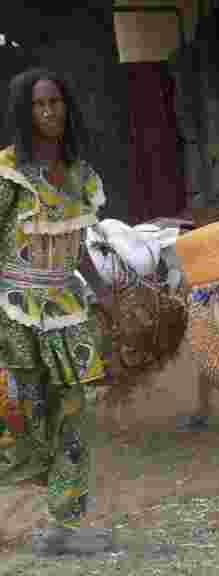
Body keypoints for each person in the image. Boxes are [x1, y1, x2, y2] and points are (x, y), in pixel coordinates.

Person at [0, 68, 114, 556]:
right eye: (38, 105)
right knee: (18, 415)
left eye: (55, 102)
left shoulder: (82, 175)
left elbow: (80, 242)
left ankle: (61, 527)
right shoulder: (7, 173)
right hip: (14, 312)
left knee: (75, 415)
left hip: (68, 311)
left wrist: (107, 292)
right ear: (24, 113)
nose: (49, 112)